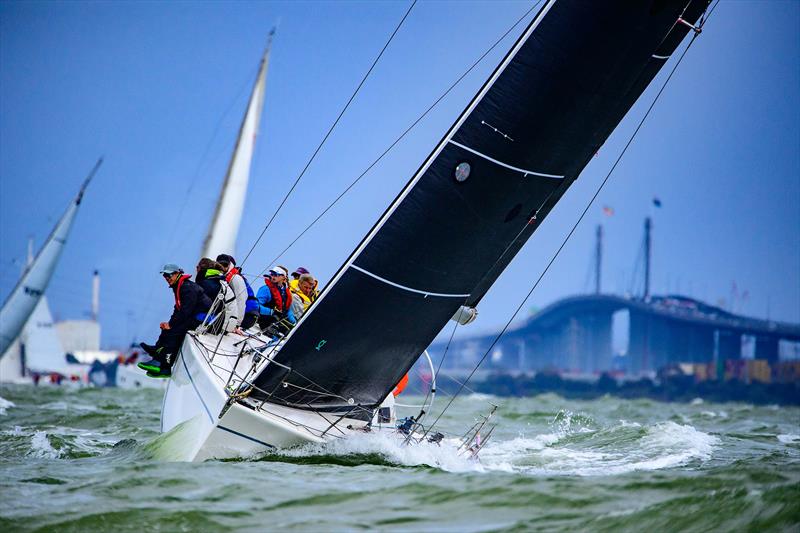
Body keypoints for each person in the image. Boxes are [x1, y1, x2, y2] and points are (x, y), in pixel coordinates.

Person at [138, 264, 212, 377]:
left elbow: (186, 311)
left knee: (175, 331)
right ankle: (158, 355)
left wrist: (171, 325)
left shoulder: (187, 287)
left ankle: (162, 364)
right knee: (168, 328)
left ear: (177, 274)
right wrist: (168, 323)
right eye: (165, 276)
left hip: (204, 319)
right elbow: (177, 309)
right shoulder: (179, 286)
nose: (167, 278)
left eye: (169, 275)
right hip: (194, 316)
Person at [215, 254, 260, 331]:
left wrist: (236, 324)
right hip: (244, 314)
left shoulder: (236, 278)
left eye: (225, 264)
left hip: (247, 316)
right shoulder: (226, 276)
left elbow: (241, 300)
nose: (222, 267)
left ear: (230, 265)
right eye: (219, 265)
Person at [257, 265, 296, 334]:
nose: (273, 276)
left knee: (293, 331)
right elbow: (256, 306)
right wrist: (271, 312)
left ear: (283, 277)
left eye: (276, 275)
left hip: (279, 320)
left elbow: (287, 309)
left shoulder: (285, 292)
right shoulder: (265, 289)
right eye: (272, 274)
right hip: (266, 320)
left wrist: (293, 320)